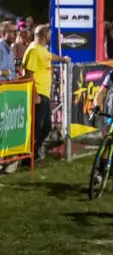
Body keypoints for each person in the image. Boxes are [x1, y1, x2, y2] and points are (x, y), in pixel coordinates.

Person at [22, 25, 70, 160]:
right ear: (45, 36)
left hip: (45, 94)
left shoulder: (41, 49)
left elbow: (49, 57)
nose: (51, 36)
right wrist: (35, 94)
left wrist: (62, 59)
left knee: (47, 126)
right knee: (37, 126)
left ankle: (35, 150)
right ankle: (29, 155)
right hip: (38, 94)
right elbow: (28, 74)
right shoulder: (33, 50)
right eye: (49, 34)